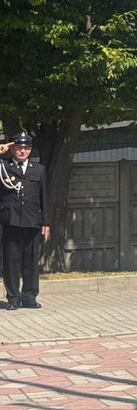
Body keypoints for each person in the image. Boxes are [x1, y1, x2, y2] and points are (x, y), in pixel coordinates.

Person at [0, 133, 51, 311]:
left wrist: (46, 223)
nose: (23, 151)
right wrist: (1, 150)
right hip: (11, 221)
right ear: (12, 148)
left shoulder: (38, 169)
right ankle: (13, 298)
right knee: (11, 262)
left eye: (26, 148)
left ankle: (29, 297)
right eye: (19, 147)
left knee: (30, 262)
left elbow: (44, 197)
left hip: (32, 222)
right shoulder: (3, 167)